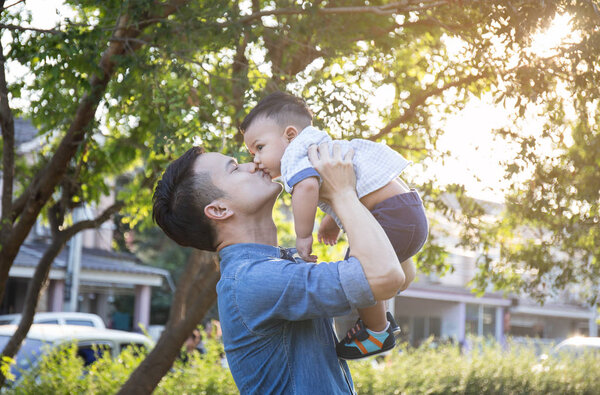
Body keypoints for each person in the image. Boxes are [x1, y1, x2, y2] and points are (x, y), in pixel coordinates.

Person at [152, 143, 410, 393]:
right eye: (234, 168)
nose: (251, 165)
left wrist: (361, 193)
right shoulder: (253, 280)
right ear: (219, 209)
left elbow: (400, 274)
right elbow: (385, 276)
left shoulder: (279, 265)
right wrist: (343, 193)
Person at [240, 91, 428, 359]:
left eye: (259, 148)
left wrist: (303, 236)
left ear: (290, 135)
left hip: (390, 216)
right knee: (380, 266)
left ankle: (378, 331)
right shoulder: (319, 144)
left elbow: (305, 188)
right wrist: (331, 220)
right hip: (406, 212)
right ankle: (399, 281)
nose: (255, 159)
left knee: (362, 268)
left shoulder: (295, 155)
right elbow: (354, 184)